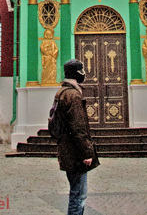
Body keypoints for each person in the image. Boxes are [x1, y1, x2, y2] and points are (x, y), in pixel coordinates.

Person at [53, 59, 99, 215]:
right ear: (77, 74)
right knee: (78, 196)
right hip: (75, 153)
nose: (84, 74)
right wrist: (87, 152)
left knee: (76, 193)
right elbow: (78, 127)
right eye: (82, 71)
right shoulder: (73, 95)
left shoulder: (62, 92)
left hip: (66, 149)